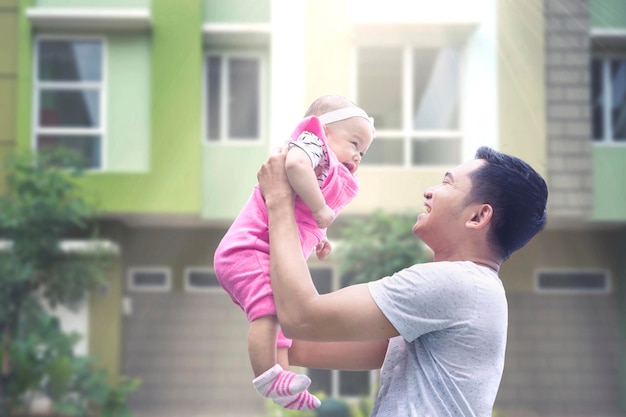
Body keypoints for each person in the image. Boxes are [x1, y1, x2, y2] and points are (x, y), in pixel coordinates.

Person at [257, 146, 548, 416]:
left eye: (447, 183)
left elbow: (302, 316)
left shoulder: (454, 282)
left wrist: (279, 200)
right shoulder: (476, 289)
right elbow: (314, 343)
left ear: (478, 216)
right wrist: (267, 327)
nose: (429, 192)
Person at [213, 95, 375, 410]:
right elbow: (295, 167)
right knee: (269, 313)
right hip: (249, 248)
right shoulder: (309, 146)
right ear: (324, 131)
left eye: (363, 152)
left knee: (284, 318)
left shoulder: (327, 167)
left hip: (263, 252)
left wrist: (321, 235)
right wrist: (321, 208)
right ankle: (266, 376)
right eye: (354, 143)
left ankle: (284, 382)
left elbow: (304, 213)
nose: (357, 155)